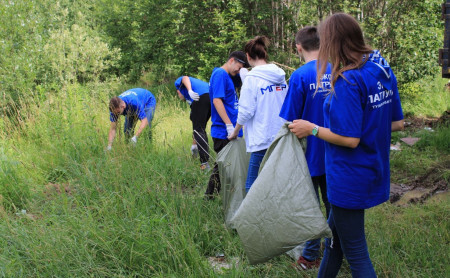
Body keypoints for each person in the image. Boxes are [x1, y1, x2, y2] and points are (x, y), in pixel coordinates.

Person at [288, 13, 404, 277]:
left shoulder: (348, 80)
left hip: (348, 176)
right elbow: (397, 123)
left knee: (356, 252)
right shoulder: (379, 66)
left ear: (333, 41)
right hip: (373, 167)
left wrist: (312, 128)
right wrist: (368, 126)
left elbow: (350, 139)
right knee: (334, 242)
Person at [279, 26, 331, 270]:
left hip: (310, 154)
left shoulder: (300, 76)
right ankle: (336, 250)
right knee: (334, 205)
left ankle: (309, 258)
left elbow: (290, 119)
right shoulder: (340, 69)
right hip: (338, 151)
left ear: (298, 47)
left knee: (311, 207)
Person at [228, 36, 288, 192]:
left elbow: (246, 111)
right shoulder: (281, 77)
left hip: (262, 137)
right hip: (281, 136)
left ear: (248, 57)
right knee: (278, 180)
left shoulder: (252, 79)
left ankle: (251, 216)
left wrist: (235, 131)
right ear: (265, 54)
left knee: (252, 184)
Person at [204, 51, 248, 199]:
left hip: (230, 131)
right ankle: (210, 198)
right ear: (231, 60)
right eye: (238, 66)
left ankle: (211, 198)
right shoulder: (220, 74)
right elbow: (217, 100)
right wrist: (229, 125)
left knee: (224, 168)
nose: (238, 70)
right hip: (224, 131)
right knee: (224, 168)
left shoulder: (228, 76)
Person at [174, 76, 211, 170]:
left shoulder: (180, 86)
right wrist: (194, 144)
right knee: (200, 128)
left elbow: (185, 78)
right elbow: (195, 120)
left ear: (179, 92)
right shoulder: (193, 95)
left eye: (179, 97)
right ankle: (200, 152)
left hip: (201, 96)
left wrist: (190, 90)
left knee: (198, 130)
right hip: (212, 96)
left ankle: (205, 163)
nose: (181, 99)